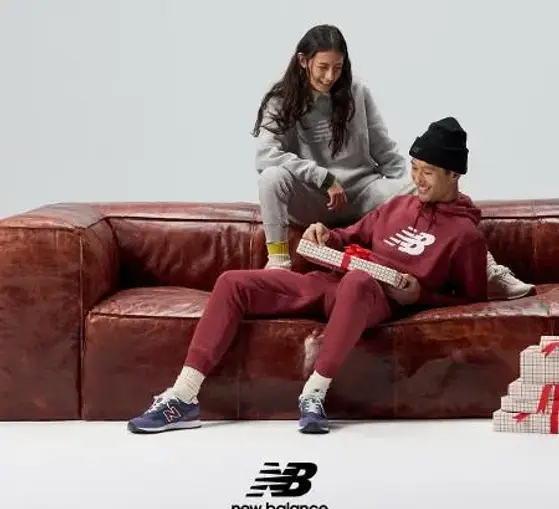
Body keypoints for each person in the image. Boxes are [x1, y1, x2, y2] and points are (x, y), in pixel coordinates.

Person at [129, 117, 492, 436]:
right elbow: (350, 236)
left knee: (359, 281)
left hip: (372, 297)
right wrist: (325, 235)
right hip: (329, 283)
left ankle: (314, 394)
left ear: (454, 174)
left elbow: (472, 301)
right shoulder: (397, 206)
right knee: (232, 283)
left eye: (428, 172)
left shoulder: (466, 236)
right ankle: (183, 396)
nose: (417, 179)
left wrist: (419, 295)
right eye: (414, 168)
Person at [253, 23, 534, 300]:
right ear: (303, 61)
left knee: (430, 187)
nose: (330, 77)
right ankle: (278, 263)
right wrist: (322, 177)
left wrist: (412, 184)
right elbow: (266, 155)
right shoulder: (280, 99)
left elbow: (384, 149)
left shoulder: (356, 92)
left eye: (337, 68)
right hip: (314, 198)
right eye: (323, 67)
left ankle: (489, 271)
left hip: (363, 193)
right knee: (271, 178)